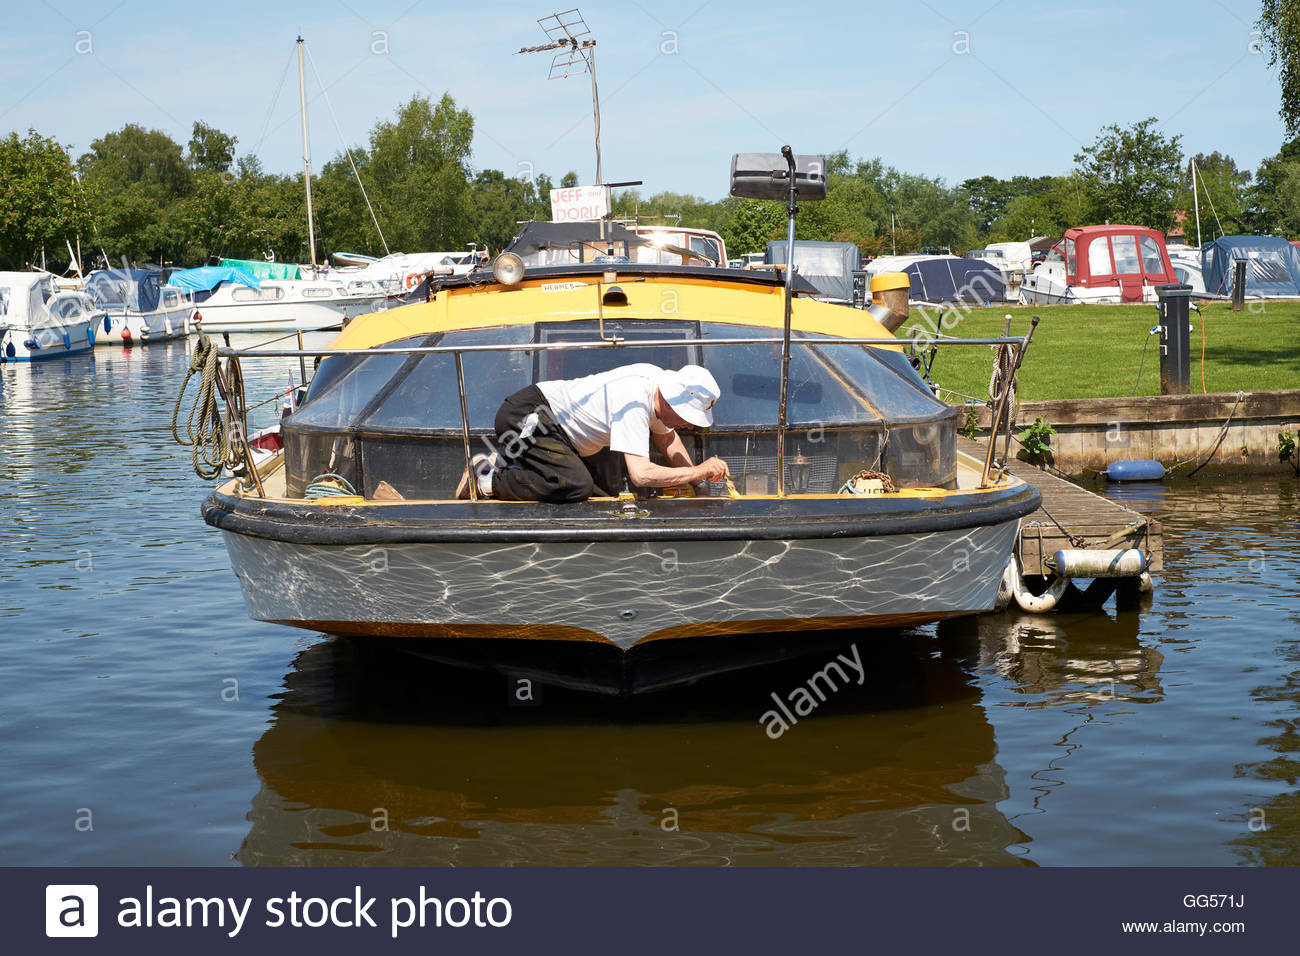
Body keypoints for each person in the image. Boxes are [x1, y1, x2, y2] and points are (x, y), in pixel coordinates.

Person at [459, 363, 730, 502]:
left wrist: (700, 487)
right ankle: (485, 479)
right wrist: (699, 471)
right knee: (575, 486)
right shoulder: (634, 398)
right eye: (688, 417)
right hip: (528, 417)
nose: (689, 426)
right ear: (672, 400)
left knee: (602, 499)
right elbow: (641, 474)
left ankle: (508, 462)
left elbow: (667, 438)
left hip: (560, 434)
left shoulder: (657, 385)